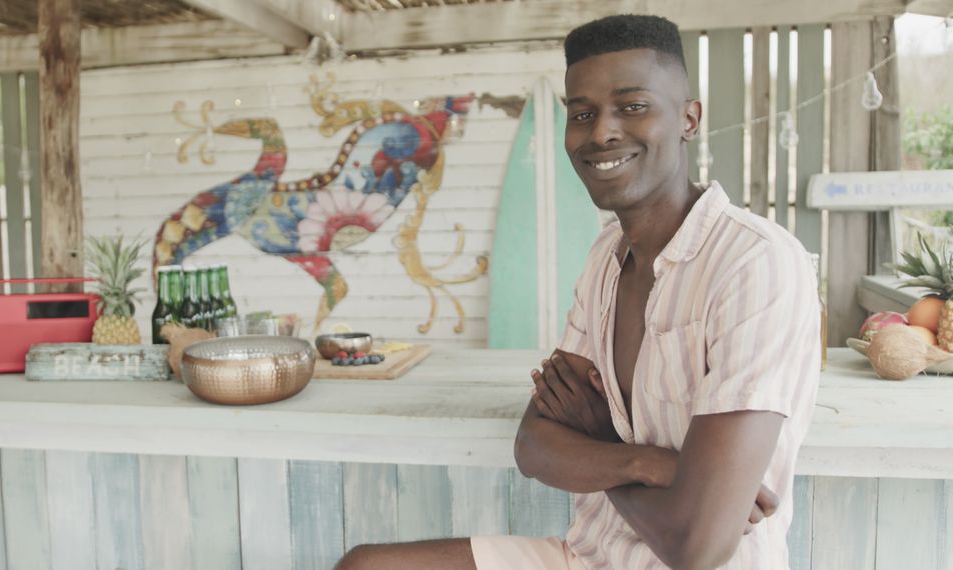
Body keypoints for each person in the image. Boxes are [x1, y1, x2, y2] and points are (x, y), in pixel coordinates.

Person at [336, 14, 820, 570]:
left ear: (689, 119)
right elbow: (535, 445)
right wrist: (648, 463)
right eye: (582, 114)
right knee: (366, 566)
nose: (601, 133)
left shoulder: (755, 262)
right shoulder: (604, 260)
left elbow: (699, 546)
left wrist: (600, 442)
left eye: (632, 106)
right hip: (589, 557)